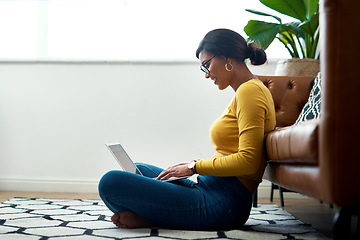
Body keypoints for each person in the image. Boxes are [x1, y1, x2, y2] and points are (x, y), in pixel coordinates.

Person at [98, 28, 276, 230]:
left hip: (224, 203)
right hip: (209, 188)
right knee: (140, 170)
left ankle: (151, 219)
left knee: (110, 182)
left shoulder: (250, 91)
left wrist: (193, 166)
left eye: (207, 65)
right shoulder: (245, 91)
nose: (207, 75)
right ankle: (153, 217)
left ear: (227, 57)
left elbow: (249, 162)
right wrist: (191, 168)